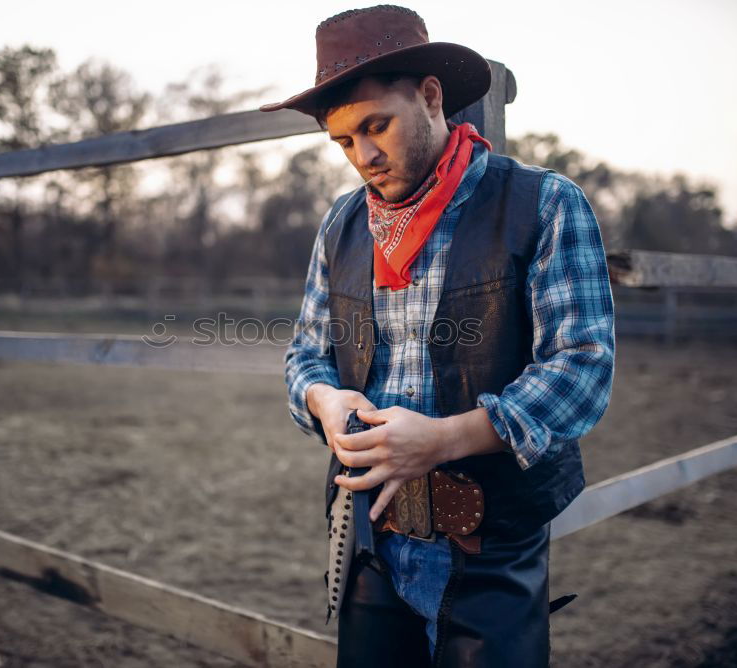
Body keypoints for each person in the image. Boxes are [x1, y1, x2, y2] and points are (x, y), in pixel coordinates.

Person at [262, 5, 615, 667]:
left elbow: (582, 367)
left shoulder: (544, 203)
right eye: (344, 141)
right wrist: (326, 403)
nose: (363, 156)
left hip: (491, 546)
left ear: (430, 97)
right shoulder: (342, 223)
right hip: (368, 537)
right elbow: (307, 352)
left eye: (377, 126)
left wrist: (445, 438)